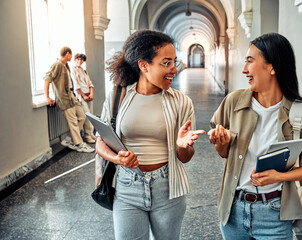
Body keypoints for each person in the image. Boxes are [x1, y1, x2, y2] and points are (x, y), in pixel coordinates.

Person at [208, 33, 302, 239]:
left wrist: (279, 177)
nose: (244, 70)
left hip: (275, 214)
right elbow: (224, 154)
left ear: (272, 67)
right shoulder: (233, 102)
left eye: (250, 61)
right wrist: (221, 144)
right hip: (233, 211)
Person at [96, 30, 205, 240]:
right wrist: (116, 158)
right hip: (127, 187)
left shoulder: (182, 102)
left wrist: (182, 146)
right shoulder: (116, 97)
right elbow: (101, 142)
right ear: (144, 66)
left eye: (175, 61)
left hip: (168, 188)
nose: (174, 69)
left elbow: (185, 157)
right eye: (166, 63)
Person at [44, 46, 94, 153]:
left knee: (82, 116)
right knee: (73, 122)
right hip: (64, 99)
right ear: (67, 53)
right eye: (71, 55)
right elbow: (47, 79)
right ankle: (79, 144)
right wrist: (47, 97)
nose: (72, 57)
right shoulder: (57, 65)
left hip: (72, 96)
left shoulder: (66, 65)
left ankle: (69, 139)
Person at [71, 53, 96, 144]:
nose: (79, 61)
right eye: (78, 59)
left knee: (91, 116)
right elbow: (76, 86)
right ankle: (87, 136)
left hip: (88, 95)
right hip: (81, 97)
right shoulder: (73, 70)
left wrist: (91, 94)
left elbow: (90, 83)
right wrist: (84, 96)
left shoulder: (84, 71)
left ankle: (91, 133)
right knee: (87, 115)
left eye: (81, 60)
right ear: (75, 60)